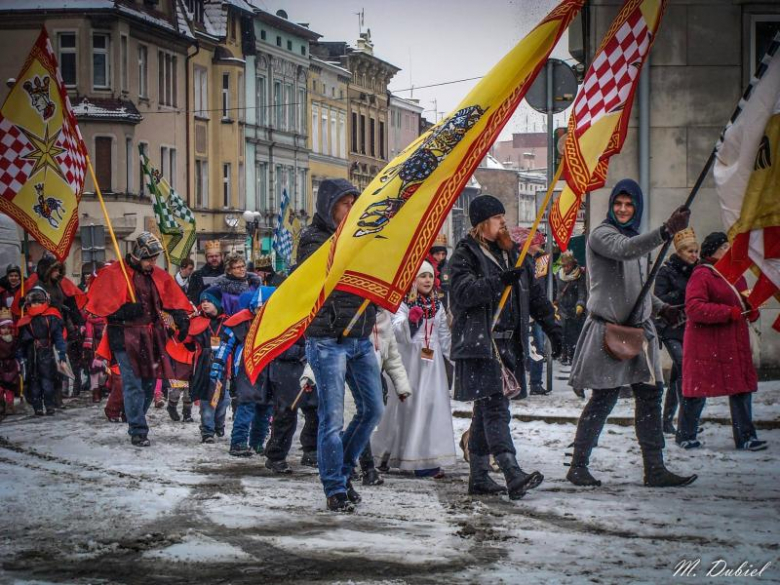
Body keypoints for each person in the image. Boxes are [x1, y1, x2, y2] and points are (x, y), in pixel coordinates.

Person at [566, 179, 697, 488]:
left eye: (629, 205)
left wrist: (662, 307)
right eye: (618, 204)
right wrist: (666, 231)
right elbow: (624, 250)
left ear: (636, 208)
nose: (623, 209)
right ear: (612, 206)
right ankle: (578, 465)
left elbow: (640, 289)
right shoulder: (602, 235)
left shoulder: (639, 241)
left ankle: (655, 469)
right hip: (608, 330)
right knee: (604, 398)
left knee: (650, 398)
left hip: (639, 333)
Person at [450, 195, 562, 500]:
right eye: (498, 218)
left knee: (486, 411)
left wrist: (554, 330)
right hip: (481, 345)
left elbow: (536, 297)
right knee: (495, 409)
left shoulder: (514, 254)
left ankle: (479, 477)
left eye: (503, 217)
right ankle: (511, 472)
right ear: (482, 224)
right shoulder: (465, 254)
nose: (504, 223)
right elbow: (462, 293)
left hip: (508, 344)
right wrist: (498, 281)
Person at [299, 178, 383, 513]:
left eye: (354, 203)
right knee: (331, 418)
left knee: (373, 408)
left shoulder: (361, 235)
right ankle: (334, 487)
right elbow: (322, 278)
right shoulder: (313, 239)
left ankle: (343, 470)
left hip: (359, 337)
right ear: (329, 206)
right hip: (327, 338)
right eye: (346, 203)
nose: (351, 209)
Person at [86, 232, 193, 447]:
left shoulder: (157, 275)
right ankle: (138, 429)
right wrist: (123, 311)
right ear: (137, 256)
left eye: (155, 259)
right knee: (133, 382)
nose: (153, 263)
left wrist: (181, 319)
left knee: (149, 382)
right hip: (123, 336)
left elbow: (170, 300)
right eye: (149, 259)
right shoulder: (115, 274)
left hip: (150, 337)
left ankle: (134, 415)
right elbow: (101, 307)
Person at [677, 232, 766, 451]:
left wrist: (751, 309)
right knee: (696, 391)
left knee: (741, 389)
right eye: (724, 247)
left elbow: (745, 309)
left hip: (733, 344)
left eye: (729, 246)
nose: (729, 250)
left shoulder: (737, 276)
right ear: (712, 251)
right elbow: (695, 308)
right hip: (706, 346)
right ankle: (686, 435)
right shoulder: (703, 274)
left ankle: (746, 436)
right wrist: (730, 312)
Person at [372, 261, 456, 478]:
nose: (427, 281)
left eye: (430, 276)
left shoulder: (437, 305)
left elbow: (444, 336)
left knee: (430, 408)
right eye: (422, 277)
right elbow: (397, 333)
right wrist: (411, 320)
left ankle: (425, 458)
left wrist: (457, 358)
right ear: (412, 280)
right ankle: (387, 453)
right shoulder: (402, 304)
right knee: (405, 410)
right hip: (409, 363)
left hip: (432, 365)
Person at [212, 286, 276, 457]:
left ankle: (257, 442)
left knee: (266, 407)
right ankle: (238, 442)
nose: (260, 312)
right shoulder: (241, 321)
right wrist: (218, 365)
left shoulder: (278, 322)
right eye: (258, 308)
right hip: (247, 368)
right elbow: (226, 344)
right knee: (247, 405)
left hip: (270, 369)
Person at [653, 228, 699, 435]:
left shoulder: (698, 271)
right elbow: (659, 299)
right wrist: (682, 292)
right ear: (679, 252)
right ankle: (684, 423)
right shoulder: (666, 271)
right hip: (670, 328)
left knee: (678, 374)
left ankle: (666, 420)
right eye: (689, 251)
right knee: (683, 366)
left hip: (690, 327)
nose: (694, 255)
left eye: (695, 251)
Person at [509, 227, 549, 396]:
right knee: (532, 346)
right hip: (527, 311)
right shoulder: (521, 261)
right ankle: (526, 382)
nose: (540, 243)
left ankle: (535, 382)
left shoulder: (540, 260)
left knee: (536, 347)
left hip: (536, 309)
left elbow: (542, 285)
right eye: (536, 240)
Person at [16, 287, 67, 416]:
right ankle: (37, 407)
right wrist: (20, 357)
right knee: (33, 383)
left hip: (47, 354)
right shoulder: (25, 320)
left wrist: (62, 355)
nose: (36, 305)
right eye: (34, 302)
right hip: (31, 355)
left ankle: (49, 405)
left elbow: (59, 338)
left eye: (39, 301)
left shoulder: (52, 317)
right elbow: (21, 342)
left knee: (47, 382)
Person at [187, 287, 229, 443]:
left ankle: (218, 424)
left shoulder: (227, 321)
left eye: (209, 301)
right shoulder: (197, 321)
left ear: (217, 302)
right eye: (203, 301)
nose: (204, 304)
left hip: (224, 363)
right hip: (205, 363)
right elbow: (187, 341)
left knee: (222, 399)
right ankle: (207, 431)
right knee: (207, 398)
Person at [555, 251, 587, 367]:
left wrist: (580, 305)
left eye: (568, 265)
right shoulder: (558, 275)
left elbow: (582, 292)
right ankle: (563, 354)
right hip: (562, 309)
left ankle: (573, 357)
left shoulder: (580, 275)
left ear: (573, 264)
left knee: (574, 336)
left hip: (575, 310)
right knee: (563, 334)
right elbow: (556, 292)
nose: (566, 267)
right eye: (564, 265)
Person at [187, 241, 224, 305]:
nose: (214, 258)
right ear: (206, 257)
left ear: (221, 256)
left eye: (216, 256)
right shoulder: (197, 275)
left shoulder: (229, 274)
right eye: (211, 256)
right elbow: (192, 298)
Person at [0, 308, 20, 416]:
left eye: (8, 328)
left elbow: (17, 352)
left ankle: (9, 406)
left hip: (11, 366)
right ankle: (1, 404)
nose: (6, 330)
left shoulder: (14, 340)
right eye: (3, 328)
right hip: (1, 365)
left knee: (10, 388)